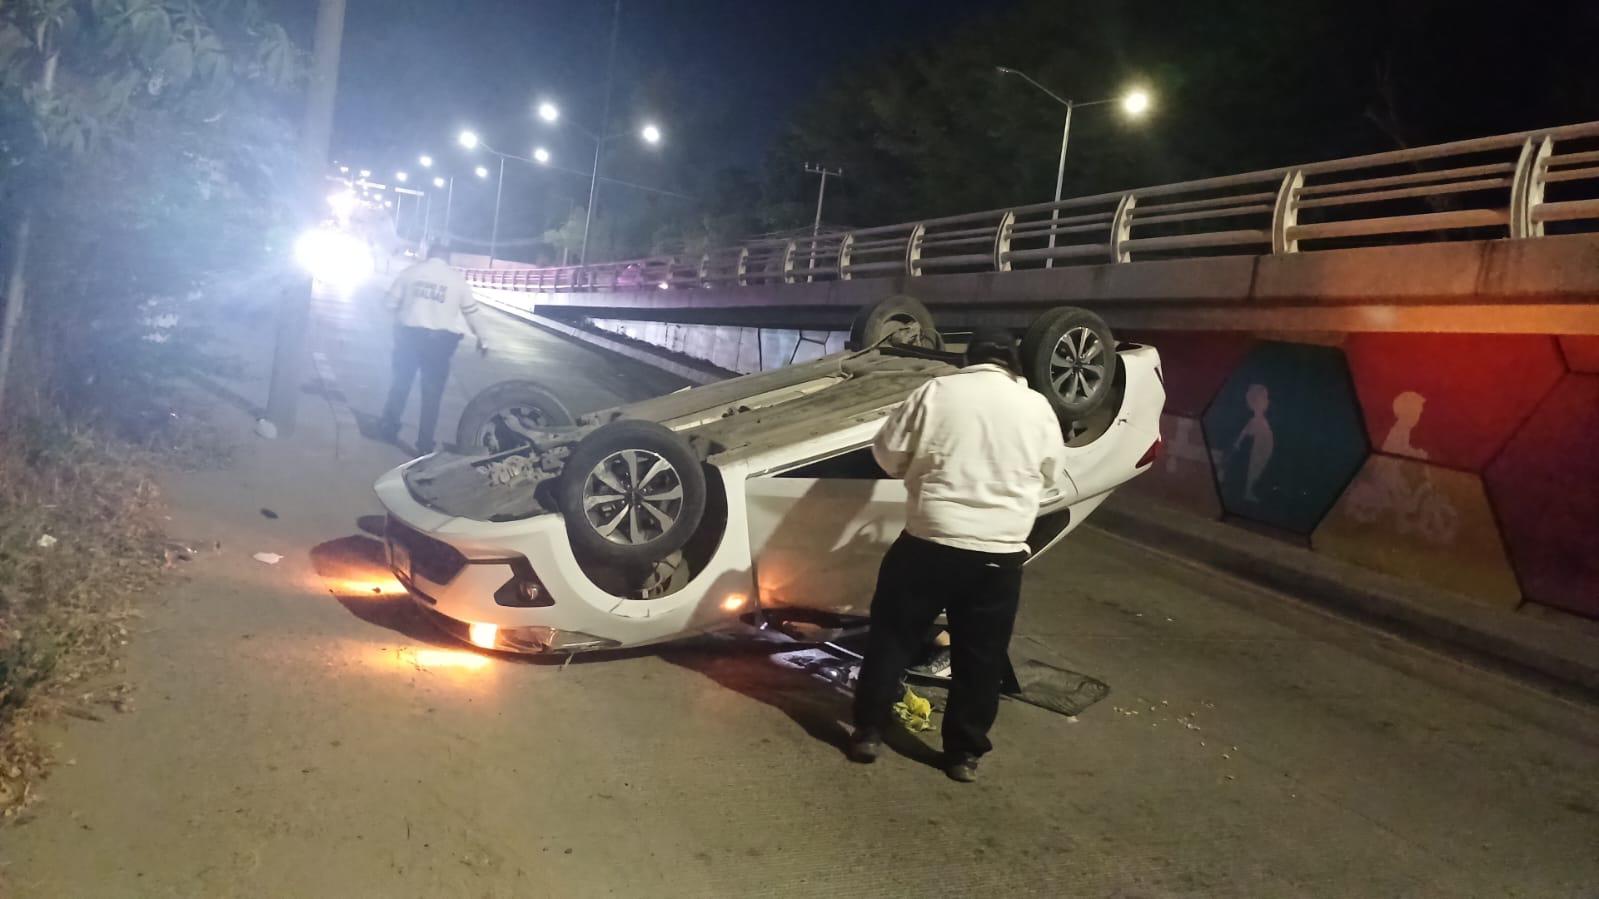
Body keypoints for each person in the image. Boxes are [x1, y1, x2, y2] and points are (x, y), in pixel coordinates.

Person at [850, 326, 1069, 783]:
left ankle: (869, 731)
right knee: (981, 656)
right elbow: (1051, 478)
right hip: (999, 553)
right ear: (1015, 366)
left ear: (967, 359)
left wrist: (920, 472)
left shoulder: (936, 392)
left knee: (893, 636)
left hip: (930, 539)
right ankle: (963, 754)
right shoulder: (1037, 408)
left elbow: (887, 455)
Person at [377, 240, 488, 454]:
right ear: (447, 259)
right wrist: (483, 339)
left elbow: (388, 303)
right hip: (440, 344)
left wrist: (405, 312)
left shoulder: (411, 273)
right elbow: (472, 313)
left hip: (409, 338)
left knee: (400, 384)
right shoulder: (457, 281)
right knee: (432, 395)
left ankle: (389, 428)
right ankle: (425, 444)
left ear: (428, 254)